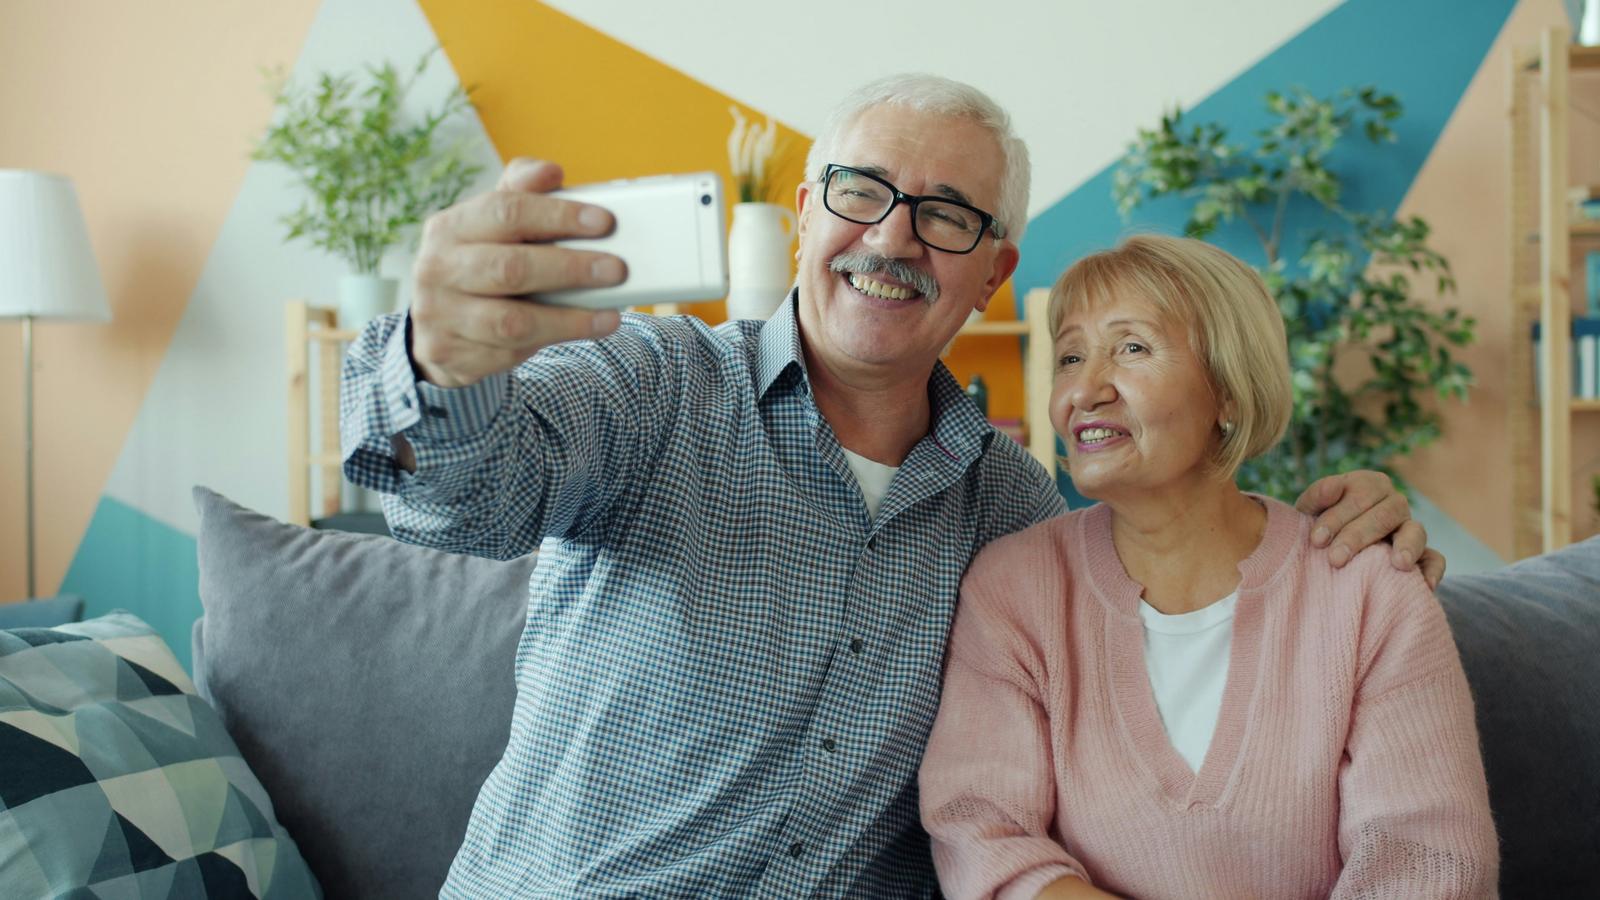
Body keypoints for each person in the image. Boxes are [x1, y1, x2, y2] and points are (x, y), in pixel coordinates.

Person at [340, 74, 1443, 897]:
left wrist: (1350, 534)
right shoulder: (654, 383)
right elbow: (459, 503)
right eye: (860, 191)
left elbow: (1184, 592)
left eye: (946, 214)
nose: (892, 237)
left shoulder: (1014, 512)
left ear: (993, 273)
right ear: (805, 213)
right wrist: (441, 365)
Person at [918, 234, 1497, 900]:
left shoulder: (1368, 589)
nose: (1085, 389)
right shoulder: (1013, 589)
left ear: (1229, 392)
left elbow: (1427, 864)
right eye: (1071, 356)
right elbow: (983, 837)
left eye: (1132, 348)